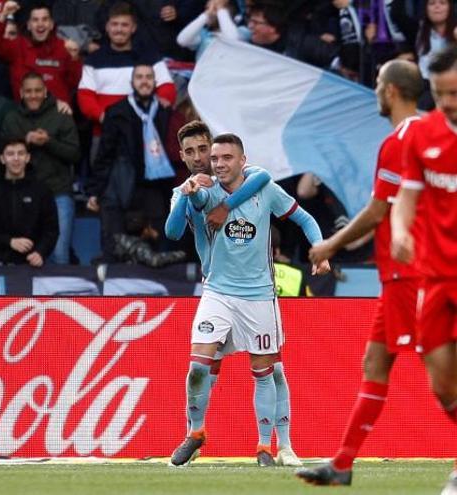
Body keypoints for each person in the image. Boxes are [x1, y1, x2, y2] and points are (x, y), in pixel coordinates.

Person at [295, 60, 424, 487]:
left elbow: (377, 210)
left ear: (390, 91)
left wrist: (331, 244)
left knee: (443, 376)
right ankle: (343, 464)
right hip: (400, 274)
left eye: (376, 84)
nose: (374, 91)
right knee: (375, 361)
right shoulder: (422, 134)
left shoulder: (401, 141)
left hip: (414, 274)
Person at [169, 133, 330, 468]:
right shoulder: (203, 189)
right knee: (198, 366)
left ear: (242, 160)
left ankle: (267, 447)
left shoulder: (262, 186)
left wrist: (321, 250)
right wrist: (189, 195)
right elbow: (181, 223)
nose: (217, 163)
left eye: (225, 157)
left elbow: (303, 217)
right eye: (214, 158)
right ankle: (195, 432)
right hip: (217, 292)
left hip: (259, 296)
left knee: (268, 371)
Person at [390, 45, 457, 495]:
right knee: (440, 380)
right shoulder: (422, 135)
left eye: (454, 91)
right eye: (440, 92)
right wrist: (400, 230)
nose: (448, 100)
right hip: (435, 274)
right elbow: (407, 198)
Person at [86, 64, 177, 263]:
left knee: (152, 246)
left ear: (155, 82)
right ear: (132, 83)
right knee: (117, 247)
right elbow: (104, 154)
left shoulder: (164, 111)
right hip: (122, 187)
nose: (144, 81)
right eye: (139, 77)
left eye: (148, 77)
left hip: (154, 188)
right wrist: (95, 190)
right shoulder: (117, 111)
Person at [2, 72, 80, 265]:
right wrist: (25, 141)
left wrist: (48, 142)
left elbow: (75, 154)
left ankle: (60, 296)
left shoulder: (61, 115)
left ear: (45, 92)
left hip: (58, 192)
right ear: (21, 93)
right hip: (22, 195)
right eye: (28, 91)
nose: (33, 95)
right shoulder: (11, 118)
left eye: (38, 90)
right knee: (25, 255)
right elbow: (2, 154)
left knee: (59, 255)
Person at [77, 2, 176, 133]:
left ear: (133, 28)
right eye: (114, 24)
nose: (119, 29)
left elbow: (167, 88)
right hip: (104, 133)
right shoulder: (93, 60)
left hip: (143, 132)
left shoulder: (150, 57)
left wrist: (151, 113)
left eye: (124, 25)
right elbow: (85, 96)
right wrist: (105, 119)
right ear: (107, 27)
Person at [0, 1, 82, 109]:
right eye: (35, 20)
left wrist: (75, 58)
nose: (40, 24)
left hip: (57, 117)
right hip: (25, 116)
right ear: (28, 25)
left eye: (45, 19)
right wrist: (3, 14)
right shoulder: (18, 46)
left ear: (51, 25)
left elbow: (75, 83)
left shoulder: (64, 48)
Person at [0, 139, 58, 266]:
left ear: (27, 158)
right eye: (10, 154)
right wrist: (10, 242)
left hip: (29, 263)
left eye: (21, 153)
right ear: (2, 159)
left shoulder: (41, 190)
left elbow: (51, 229)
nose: (16, 158)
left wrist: (40, 253)